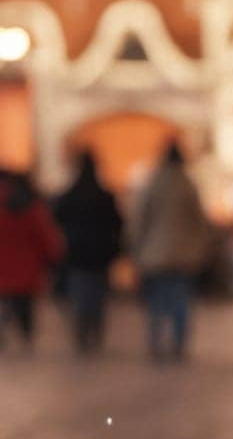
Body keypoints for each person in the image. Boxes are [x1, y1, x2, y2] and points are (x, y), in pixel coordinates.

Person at [129, 141, 211, 362]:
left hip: (154, 254)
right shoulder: (188, 185)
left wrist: (135, 249)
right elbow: (200, 222)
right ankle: (178, 345)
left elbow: (139, 220)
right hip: (185, 255)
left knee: (156, 301)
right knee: (181, 302)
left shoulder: (153, 184)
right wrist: (200, 249)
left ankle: (155, 343)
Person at [53, 150, 123, 354]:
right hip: (100, 253)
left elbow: (57, 217)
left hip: (76, 253)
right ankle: (94, 330)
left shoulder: (70, 195)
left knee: (80, 293)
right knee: (97, 294)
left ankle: (81, 331)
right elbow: (116, 223)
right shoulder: (104, 196)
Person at [0, 169, 64, 349]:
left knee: (5, 302)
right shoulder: (32, 205)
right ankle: (26, 336)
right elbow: (46, 235)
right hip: (28, 266)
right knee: (24, 304)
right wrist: (53, 257)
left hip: (2, 266)